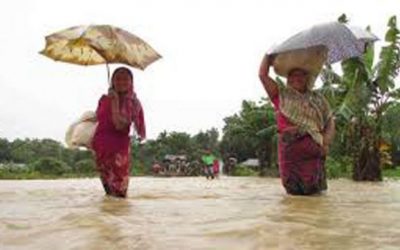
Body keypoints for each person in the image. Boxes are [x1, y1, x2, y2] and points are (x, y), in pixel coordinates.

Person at [258, 54, 335, 195]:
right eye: (292, 76)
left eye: (301, 75)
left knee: (314, 193)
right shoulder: (281, 96)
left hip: (314, 150)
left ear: (308, 79)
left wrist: (326, 143)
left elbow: (329, 120)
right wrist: (268, 57)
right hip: (290, 153)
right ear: (288, 80)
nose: (297, 78)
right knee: (293, 194)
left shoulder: (318, 99)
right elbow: (263, 75)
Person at [92, 67, 146, 198]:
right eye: (117, 79)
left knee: (120, 191)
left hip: (119, 150)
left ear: (131, 82)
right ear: (112, 81)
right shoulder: (104, 99)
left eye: (125, 79)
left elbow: (120, 125)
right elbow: (97, 119)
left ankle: (121, 218)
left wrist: (115, 103)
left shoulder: (133, 102)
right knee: (109, 193)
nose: (121, 82)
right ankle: (109, 218)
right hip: (101, 147)